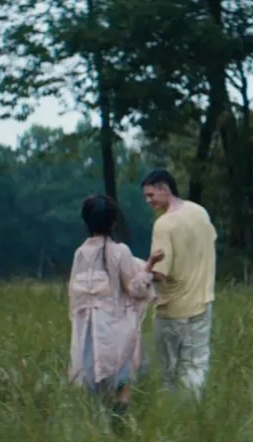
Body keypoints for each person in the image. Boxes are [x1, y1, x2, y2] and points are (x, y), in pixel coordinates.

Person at [67, 194, 164, 416]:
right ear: (113, 223)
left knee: (95, 386)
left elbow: (74, 294)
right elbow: (135, 289)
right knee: (122, 383)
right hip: (113, 329)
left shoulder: (80, 253)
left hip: (86, 330)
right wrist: (150, 265)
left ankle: (98, 425)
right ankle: (118, 423)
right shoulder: (120, 251)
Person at [141, 169, 217, 400]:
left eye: (151, 195)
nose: (148, 201)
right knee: (196, 365)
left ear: (165, 189)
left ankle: (175, 413)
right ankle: (194, 412)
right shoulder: (200, 212)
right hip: (203, 303)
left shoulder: (164, 225)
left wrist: (140, 270)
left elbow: (160, 274)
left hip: (171, 310)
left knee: (169, 373)